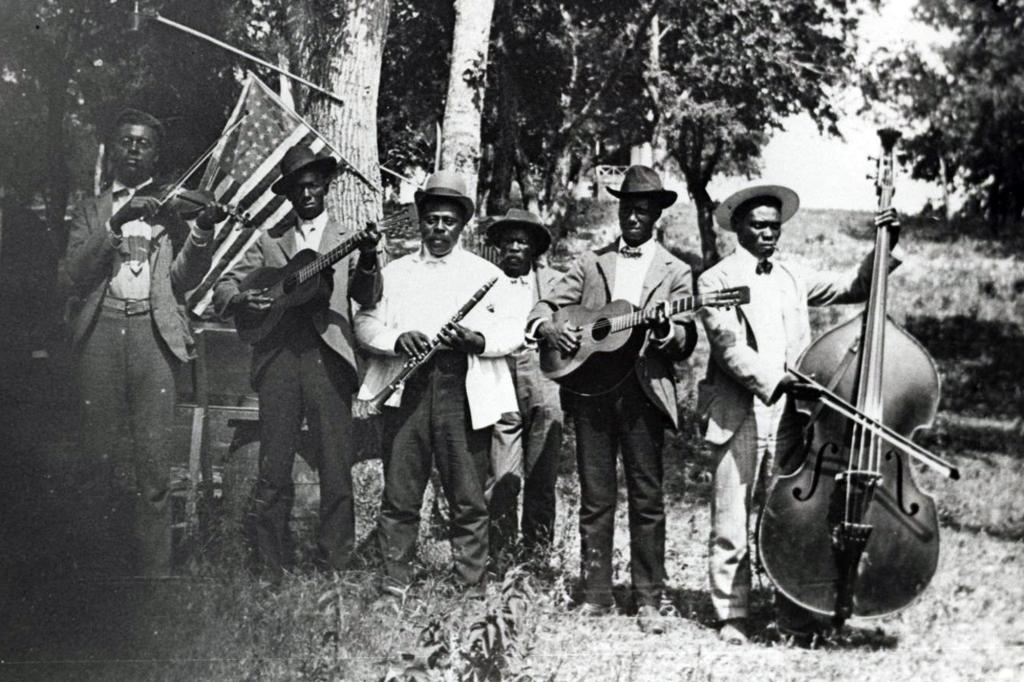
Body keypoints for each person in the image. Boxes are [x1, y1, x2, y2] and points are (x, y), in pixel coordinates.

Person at [697, 184, 901, 645]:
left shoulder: (792, 274)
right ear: (739, 228)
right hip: (739, 412)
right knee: (731, 517)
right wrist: (781, 379)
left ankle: (792, 609)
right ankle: (732, 614)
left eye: (775, 226)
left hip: (791, 417)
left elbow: (857, 285)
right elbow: (729, 348)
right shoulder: (714, 279)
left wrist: (885, 244)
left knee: (788, 514)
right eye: (759, 226)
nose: (769, 234)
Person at [527, 165, 698, 634]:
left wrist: (665, 328)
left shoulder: (676, 270)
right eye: (627, 207)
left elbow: (685, 338)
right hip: (591, 394)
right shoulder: (591, 262)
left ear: (656, 215)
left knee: (647, 499)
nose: (634, 217)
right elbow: (547, 304)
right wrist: (549, 328)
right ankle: (596, 595)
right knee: (595, 497)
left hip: (643, 394)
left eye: (643, 209)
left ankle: (648, 600)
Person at [61, 108, 220, 577]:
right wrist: (116, 224)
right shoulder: (91, 209)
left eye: (144, 143)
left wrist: (201, 231)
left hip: (154, 336)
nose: (134, 149)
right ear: (113, 149)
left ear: (155, 153)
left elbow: (184, 280)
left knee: (154, 467)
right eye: (126, 140)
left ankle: (155, 580)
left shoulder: (170, 210)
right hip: (102, 334)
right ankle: (95, 574)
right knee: (97, 459)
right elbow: (72, 274)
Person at [213, 145, 381, 583]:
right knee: (274, 465)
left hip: (328, 357)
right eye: (297, 187)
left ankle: (335, 568)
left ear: (326, 186)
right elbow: (225, 284)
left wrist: (367, 256)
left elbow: (368, 296)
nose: (306, 193)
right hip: (279, 357)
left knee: (335, 463)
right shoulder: (271, 240)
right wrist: (240, 298)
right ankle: (269, 566)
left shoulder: (346, 238)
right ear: (288, 193)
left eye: (313, 184)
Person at [354, 170, 520, 600]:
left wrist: (476, 340)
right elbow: (365, 323)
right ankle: (395, 583)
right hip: (408, 388)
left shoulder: (488, 275)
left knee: (467, 494)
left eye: (448, 220)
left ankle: (469, 586)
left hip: (462, 388)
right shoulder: (396, 271)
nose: (439, 229)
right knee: (401, 491)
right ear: (421, 220)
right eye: (431, 219)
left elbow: (513, 331)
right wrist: (396, 340)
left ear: (462, 223)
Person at [485, 208, 565, 563]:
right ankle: (499, 555)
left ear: (534, 248)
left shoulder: (557, 283)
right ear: (499, 247)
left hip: (544, 375)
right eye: (509, 242)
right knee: (502, 473)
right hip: (499, 373)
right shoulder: (486, 281)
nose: (515, 248)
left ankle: (537, 557)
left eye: (522, 242)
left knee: (542, 472)